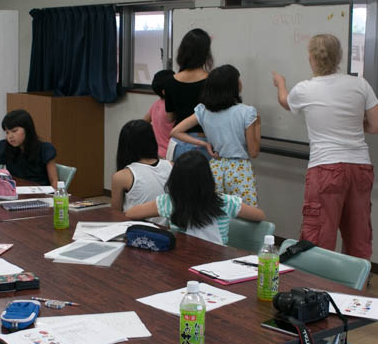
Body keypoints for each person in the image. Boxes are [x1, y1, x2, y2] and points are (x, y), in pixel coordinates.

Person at [272, 34, 378, 259]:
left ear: (311, 58)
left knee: (318, 239)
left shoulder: (305, 89)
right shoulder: (360, 84)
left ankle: (315, 282)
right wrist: (352, 123)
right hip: (360, 167)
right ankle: (356, 281)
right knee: (358, 237)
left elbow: (285, 101)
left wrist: (281, 83)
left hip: (325, 168)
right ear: (339, 57)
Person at [125, 151, 265, 246]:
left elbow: (131, 213)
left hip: (180, 260)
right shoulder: (226, 202)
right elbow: (260, 215)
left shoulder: (169, 202)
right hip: (217, 261)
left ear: (175, 179)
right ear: (207, 178)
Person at [172, 64, 261, 206]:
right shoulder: (247, 112)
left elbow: (175, 131)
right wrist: (258, 125)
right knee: (245, 213)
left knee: (215, 212)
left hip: (215, 168)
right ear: (233, 86)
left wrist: (204, 143)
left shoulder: (203, 110)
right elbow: (254, 151)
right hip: (240, 171)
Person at [0, 109, 59, 188]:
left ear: (28, 129)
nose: (10, 136)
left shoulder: (45, 149)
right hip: (15, 193)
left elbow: (54, 181)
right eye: (7, 132)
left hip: (39, 195)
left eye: (14, 131)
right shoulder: (6, 147)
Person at [111, 120, 172, 225]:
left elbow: (116, 214)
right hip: (168, 229)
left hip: (136, 229)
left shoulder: (121, 176)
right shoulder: (171, 165)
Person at [163, 28, 212, 158]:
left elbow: (170, 117)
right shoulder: (212, 81)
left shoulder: (170, 81)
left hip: (178, 142)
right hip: (203, 142)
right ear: (206, 53)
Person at [143, 69, 176, 159]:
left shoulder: (155, 104)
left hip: (157, 152)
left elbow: (143, 122)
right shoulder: (172, 108)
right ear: (165, 91)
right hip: (171, 153)